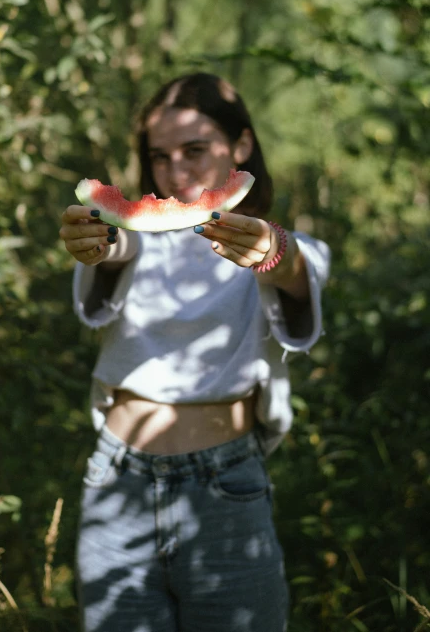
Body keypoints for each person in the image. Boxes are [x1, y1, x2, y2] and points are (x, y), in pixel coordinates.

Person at [59, 72, 330, 632]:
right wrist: (95, 239)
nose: (176, 172)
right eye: (159, 156)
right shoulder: (135, 240)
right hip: (116, 482)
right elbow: (119, 244)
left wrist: (275, 253)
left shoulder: (283, 243)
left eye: (195, 150)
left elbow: (298, 273)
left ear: (242, 146)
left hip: (227, 487)